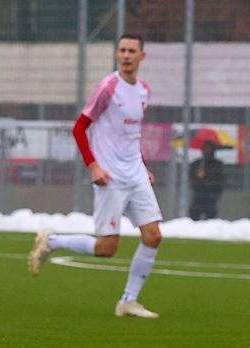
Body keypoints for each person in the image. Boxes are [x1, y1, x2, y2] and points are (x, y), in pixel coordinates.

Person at [27, 33, 163, 320]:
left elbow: (132, 136)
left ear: (142, 56)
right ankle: (52, 241)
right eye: (122, 50)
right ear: (116, 54)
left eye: (132, 51)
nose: (126, 55)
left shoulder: (143, 91)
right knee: (106, 248)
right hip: (110, 177)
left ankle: (128, 301)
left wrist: (142, 165)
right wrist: (93, 166)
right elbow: (79, 128)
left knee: (153, 236)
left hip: (136, 175)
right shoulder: (107, 88)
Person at [188, 140, 226, 220]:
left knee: (210, 219)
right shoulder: (197, 164)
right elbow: (191, 178)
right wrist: (197, 176)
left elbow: (220, 180)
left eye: (208, 149)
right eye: (205, 149)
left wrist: (207, 177)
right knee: (194, 217)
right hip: (198, 196)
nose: (206, 151)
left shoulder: (217, 165)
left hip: (211, 196)